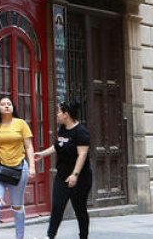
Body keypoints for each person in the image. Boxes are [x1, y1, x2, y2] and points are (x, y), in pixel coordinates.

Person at [0, 95, 35, 239]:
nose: (6, 106)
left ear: (12, 107)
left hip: (18, 168)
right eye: (3, 104)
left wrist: (32, 167)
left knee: (17, 206)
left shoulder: (21, 124)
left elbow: (29, 147)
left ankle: (19, 236)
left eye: (9, 104)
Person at [34, 99, 92, 239]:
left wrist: (75, 175)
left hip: (80, 178)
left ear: (66, 115)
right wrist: (42, 154)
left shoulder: (81, 132)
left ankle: (83, 237)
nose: (57, 114)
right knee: (57, 207)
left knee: (80, 209)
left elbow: (82, 154)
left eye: (59, 112)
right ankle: (50, 236)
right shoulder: (63, 129)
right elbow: (58, 145)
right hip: (62, 175)